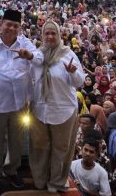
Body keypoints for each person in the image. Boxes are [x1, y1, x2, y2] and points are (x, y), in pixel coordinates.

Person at [0, 9, 43, 191]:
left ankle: (11, 170)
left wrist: (28, 55)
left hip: (20, 103)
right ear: (1, 24)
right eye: (8, 24)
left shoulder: (26, 43)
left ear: (19, 28)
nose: (11, 28)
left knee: (17, 140)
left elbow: (40, 58)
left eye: (15, 25)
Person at [27, 20, 85, 193]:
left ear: (59, 35)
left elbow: (79, 82)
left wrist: (73, 72)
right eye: (47, 33)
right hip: (40, 109)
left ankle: (57, 182)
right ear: (42, 35)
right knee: (39, 147)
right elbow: (31, 81)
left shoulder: (69, 55)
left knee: (61, 149)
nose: (50, 37)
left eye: (53, 33)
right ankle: (40, 180)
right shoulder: (37, 55)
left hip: (64, 110)